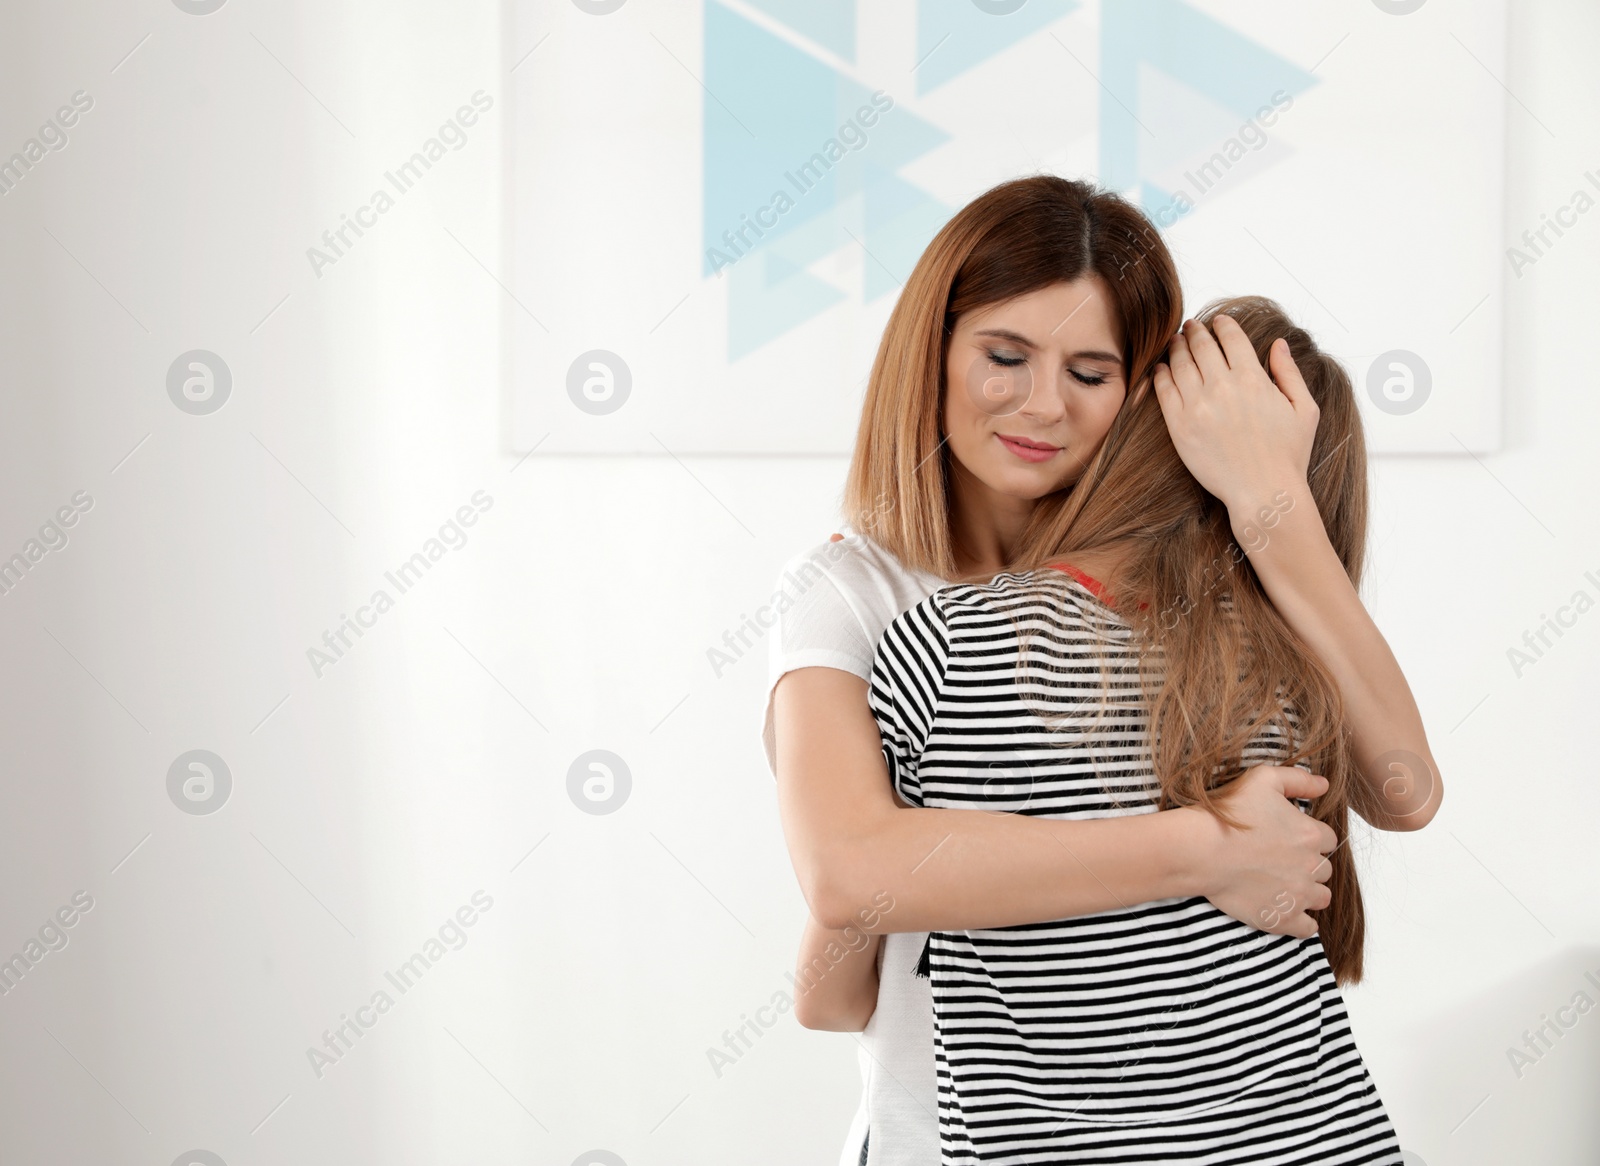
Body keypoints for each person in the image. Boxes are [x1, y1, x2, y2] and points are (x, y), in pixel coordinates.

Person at [765, 176, 1435, 1166]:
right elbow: (847, 877)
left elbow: (1404, 789)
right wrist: (1206, 845)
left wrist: (1268, 497)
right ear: (931, 352)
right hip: (941, 1134)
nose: (1042, 403)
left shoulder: (1209, 603)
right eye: (1004, 355)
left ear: (1141, 390)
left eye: (1091, 370)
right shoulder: (854, 594)